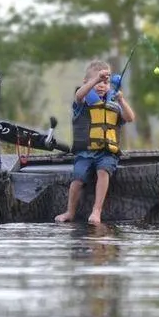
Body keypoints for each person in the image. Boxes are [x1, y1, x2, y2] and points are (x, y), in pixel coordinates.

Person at [54, 60, 136, 224]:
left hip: (106, 152)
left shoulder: (113, 103)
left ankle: (96, 211)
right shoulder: (83, 100)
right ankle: (70, 212)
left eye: (105, 82)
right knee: (77, 179)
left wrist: (121, 100)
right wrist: (96, 79)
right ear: (87, 82)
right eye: (98, 82)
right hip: (85, 152)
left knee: (103, 171)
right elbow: (79, 95)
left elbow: (130, 117)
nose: (101, 85)